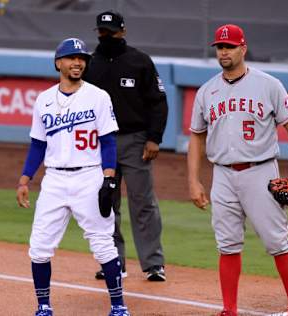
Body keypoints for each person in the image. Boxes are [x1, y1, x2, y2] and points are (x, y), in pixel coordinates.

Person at [187, 24, 288, 316]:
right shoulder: (207, 91)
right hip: (222, 174)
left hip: (261, 172)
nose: (224, 52)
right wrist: (194, 180)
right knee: (227, 244)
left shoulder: (268, 84)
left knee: (277, 241)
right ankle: (229, 309)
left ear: (243, 48)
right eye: (220, 47)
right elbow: (196, 135)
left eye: (230, 46)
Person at [16, 37, 130, 316]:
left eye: (82, 59)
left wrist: (109, 178)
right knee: (40, 246)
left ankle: (118, 306)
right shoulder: (44, 100)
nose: (78, 62)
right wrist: (24, 179)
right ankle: (43, 306)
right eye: (71, 58)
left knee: (103, 243)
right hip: (54, 180)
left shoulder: (98, 96)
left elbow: (108, 141)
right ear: (59, 63)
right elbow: (38, 144)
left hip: (89, 177)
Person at [84, 11, 169, 282]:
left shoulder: (139, 61)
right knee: (106, 201)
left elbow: (158, 101)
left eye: (110, 31)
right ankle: (113, 261)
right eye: (101, 31)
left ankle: (153, 263)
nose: (105, 35)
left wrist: (154, 138)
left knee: (142, 202)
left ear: (122, 31)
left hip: (134, 139)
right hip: (99, 143)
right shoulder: (90, 64)